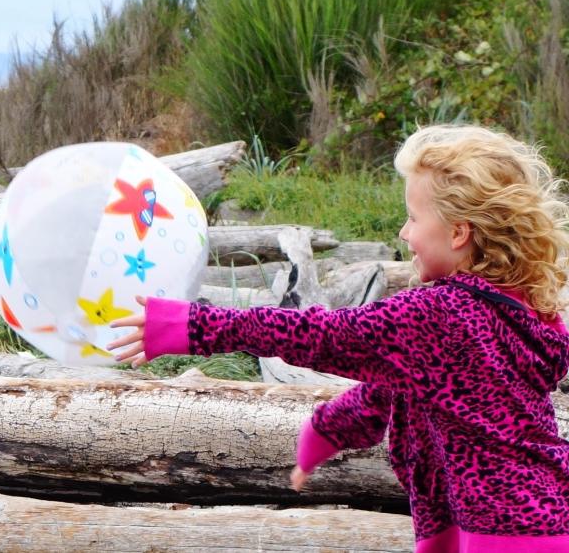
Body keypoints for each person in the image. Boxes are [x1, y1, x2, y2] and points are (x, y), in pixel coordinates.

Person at [108, 124, 569, 552]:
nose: (403, 233)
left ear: (459, 233)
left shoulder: (439, 313)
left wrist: (193, 326)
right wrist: (322, 432)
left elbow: (320, 334)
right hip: (542, 514)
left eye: (412, 218)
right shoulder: (518, 312)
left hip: (505, 535)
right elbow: (385, 396)